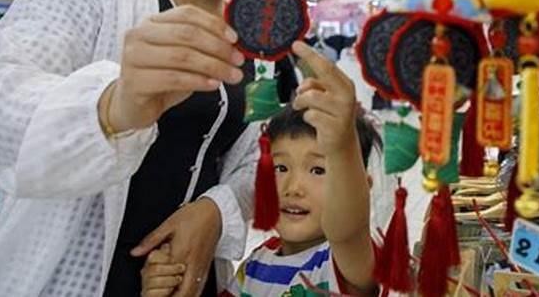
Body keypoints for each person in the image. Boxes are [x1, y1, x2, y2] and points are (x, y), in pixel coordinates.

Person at [0, 0, 319, 297]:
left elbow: (250, 159)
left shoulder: (251, 26)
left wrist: (215, 210)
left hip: (181, 282)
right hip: (66, 276)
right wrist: (112, 107)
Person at [142, 41, 380, 297]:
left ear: (362, 187)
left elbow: (348, 229)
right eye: (280, 167)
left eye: (318, 170)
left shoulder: (343, 263)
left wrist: (343, 146)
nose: (293, 187)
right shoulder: (256, 264)